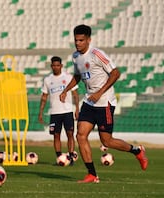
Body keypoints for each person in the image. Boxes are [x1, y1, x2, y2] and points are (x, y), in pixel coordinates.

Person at [59, 24, 148, 183]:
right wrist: (66, 89)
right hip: (89, 102)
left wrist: (100, 92)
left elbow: (116, 73)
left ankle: (137, 151)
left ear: (88, 40)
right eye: (76, 40)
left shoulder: (97, 54)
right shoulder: (75, 57)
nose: (78, 43)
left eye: (81, 40)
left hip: (105, 102)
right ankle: (92, 174)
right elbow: (78, 76)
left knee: (106, 141)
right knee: (81, 135)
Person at [38, 56, 79, 164]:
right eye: (54, 65)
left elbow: (75, 94)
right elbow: (44, 96)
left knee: (70, 133)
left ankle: (70, 157)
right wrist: (41, 112)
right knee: (56, 135)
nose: (56, 67)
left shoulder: (68, 77)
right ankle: (59, 157)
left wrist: (77, 109)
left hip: (67, 111)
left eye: (58, 65)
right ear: (51, 66)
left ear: (61, 66)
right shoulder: (47, 79)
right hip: (55, 112)